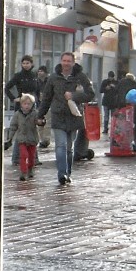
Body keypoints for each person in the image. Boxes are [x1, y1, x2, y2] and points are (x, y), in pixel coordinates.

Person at [36, 51, 95, 187]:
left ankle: (68, 172)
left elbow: (90, 94)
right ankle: (61, 174)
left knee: (69, 149)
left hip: (74, 116)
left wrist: (74, 96)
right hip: (58, 116)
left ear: (73, 63)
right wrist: (40, 115)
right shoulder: (53, 78)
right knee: (60, 146)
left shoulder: (80, 77)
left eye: (69, 61)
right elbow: (46, 98)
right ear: (61, 61)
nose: (66, 63)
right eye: (64, 61)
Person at [4, 56, 40, 153]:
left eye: (27, 63)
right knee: (20, 129)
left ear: (31, 64)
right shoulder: (18, 76)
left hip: (33, 104)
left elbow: (38, 90)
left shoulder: (34, 75)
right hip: (21, 104)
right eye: (23, 63)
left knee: (32, 129)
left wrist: (38, 103)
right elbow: (7, 88)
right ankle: (16, 156)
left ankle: (33, 157)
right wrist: (14, 99)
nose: (25, 65)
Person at [8, 93, 41, 181]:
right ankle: (23, 172)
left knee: (31, 156)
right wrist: (10, 138)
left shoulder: (35, 113)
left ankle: (30, 169)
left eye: (29, 104)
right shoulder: (17, 114)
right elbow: (13, 126)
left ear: (32, 105)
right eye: (25, 104)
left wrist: (41, 122)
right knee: (23, 155)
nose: (26, 106)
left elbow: (39, 122)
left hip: (32, 138)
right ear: (21, 104)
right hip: (22, 138)